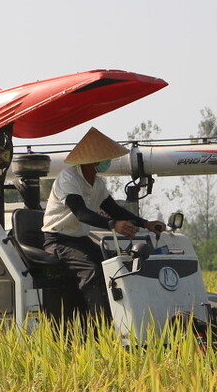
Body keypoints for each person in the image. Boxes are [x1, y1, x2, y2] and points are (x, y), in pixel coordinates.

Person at [42, 127, 166, 318]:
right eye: (105, 158)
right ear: (93, 160)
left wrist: (145, 223)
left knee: (112, 267)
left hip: (79, 240)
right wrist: (113, 225)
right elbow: (81, 213)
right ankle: (100, 330)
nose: (108, 162)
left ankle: (121, 318)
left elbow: (113, 209)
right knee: (92, 271)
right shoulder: (68, 179)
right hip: (58, 241)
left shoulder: (97, 183)